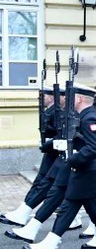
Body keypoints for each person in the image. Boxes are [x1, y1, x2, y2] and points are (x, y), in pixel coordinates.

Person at [23, 84, 96, 249]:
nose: (68, 99)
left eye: (72, 96)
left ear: (79, 99)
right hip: (82, 172)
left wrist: (72, 159)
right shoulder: (82, 116)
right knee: (68, 208)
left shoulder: (89, 118)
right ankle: (50, 244)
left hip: (91, 175)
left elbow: (95, 147)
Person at [1, 87, 60, 227]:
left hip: (55, 154)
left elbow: (59, 134)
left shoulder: (57, 112)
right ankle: (23, 212)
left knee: (46, 185)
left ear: (51, 97)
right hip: (51, 153)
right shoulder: (50, 111)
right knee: (41, 184)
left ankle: (25, 214)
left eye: (44, 96)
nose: (41, 99)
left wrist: (47, 143)